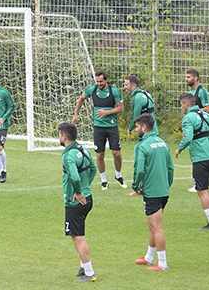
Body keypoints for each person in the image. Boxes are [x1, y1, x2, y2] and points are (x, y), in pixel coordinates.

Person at [175, 93, 209, 229]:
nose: (180, 108)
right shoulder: (206, 115)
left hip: (200, 157)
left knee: (201, 190)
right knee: (205, 189)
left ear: (187, 104)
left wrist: (180, 149)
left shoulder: (188, 118)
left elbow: (188, 136)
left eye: (181, 105)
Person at [131, 114, 173, 271]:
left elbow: (139, 169)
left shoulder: (141, 146)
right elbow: (170, 168)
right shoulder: (163, 143)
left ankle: (162, 263)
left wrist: (136, 186)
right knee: (152, 225)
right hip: (163, 190)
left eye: (136, 127)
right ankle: (149, 257)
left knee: (157, 227)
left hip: (152, 192)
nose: (135, 130)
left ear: (143, 127)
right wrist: (167, 184)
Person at [57, 122, 98, 282]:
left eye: (59, 134)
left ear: (64, 137)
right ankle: (83, 265)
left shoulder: (68, 155)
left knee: (78, 237)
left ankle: (90, 272)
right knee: (77, 235)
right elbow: (93, 169)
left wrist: (78, 191)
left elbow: (74, 177)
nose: (59, 137)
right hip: (88, 199)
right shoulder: (83, 149)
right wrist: (85, 188)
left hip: (75, 202)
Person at [72, 69, 125, 190]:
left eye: (101, 81)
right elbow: (81, 99)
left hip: (112, 127)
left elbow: (121, 108)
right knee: (100, 155)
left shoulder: (113, 91)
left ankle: (118, 175)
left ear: (106, 80)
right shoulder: (93, 90)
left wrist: (106, 112)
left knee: (116, 153)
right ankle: (104, 180)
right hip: (98, 127)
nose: (99, 84)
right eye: (97, 81)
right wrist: (76, 114)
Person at [186, 68, 209, 192]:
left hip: (201, 127)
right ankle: (197, 182)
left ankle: (200, 184)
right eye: (186, 77)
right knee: (193, 154)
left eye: (189, 77)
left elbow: (207, 108)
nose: (186, 79)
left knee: (199, 155)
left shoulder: (202, 91)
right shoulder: (190, 93)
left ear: (195, 78)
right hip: (192, 126)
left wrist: (195, 112)